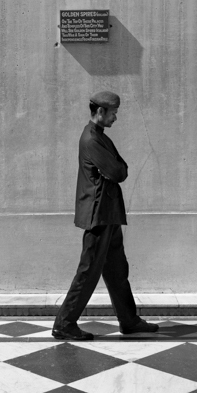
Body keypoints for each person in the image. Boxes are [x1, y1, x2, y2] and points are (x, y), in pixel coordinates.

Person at [52, 90, 159, 341]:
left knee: (117, 270)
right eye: (113, 113)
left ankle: (129, 321)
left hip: (108, 212)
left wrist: (114, 169)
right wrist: (114, 169)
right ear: (100, 111)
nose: (115, 118)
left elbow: (119, 169)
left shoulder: (100, 136)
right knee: (88, 271)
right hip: (99, 214)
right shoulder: (92, 139)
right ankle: (64, 324)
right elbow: (119, 172)